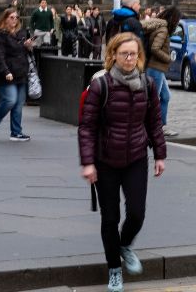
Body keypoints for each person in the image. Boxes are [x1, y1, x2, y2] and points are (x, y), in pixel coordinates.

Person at [79, 32, 167, 292]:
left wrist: (160, 154)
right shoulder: (101, 86)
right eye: (124, 54)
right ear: (113, 55)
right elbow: (87, 127)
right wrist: (88, 162)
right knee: (110, 218)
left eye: (133, 54)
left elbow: (154, 122)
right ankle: (114, 270)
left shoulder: (147, 84)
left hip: (136, 157)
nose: (129, 59)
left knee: (137, 214)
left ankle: (125, 245)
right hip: (105, 160)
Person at [0, 7, 34, 141]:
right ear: (5, 19)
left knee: (19, 103)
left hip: (21, 72)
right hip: (7, 73)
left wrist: (28, 46)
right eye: (11, 17)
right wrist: (6, 71)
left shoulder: (21, 32)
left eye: (16, 17)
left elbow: (25, 53)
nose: (14, 20)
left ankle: (16, 132)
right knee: (10, 100)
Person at [143, 6, 176, 131]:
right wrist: (168, 58)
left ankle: (160, 125)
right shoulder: (163, 30)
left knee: (165, 96)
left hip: (157, 68)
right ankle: (152, 126)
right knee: (153, 98)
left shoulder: (161, 28)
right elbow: (155, 48)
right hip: (155, 68)